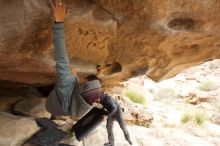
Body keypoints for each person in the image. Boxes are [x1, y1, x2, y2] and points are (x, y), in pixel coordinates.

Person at [46, 0, 116, 119]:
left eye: (82, 80)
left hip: (53, 101)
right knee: (82, 80)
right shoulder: (86, 102)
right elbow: (91, 87)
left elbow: (61, 56)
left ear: (81, 83)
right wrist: (99, 73)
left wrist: (59, 22)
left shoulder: (67, 81)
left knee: (69, 73)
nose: (81, 78)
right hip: (58, 108)